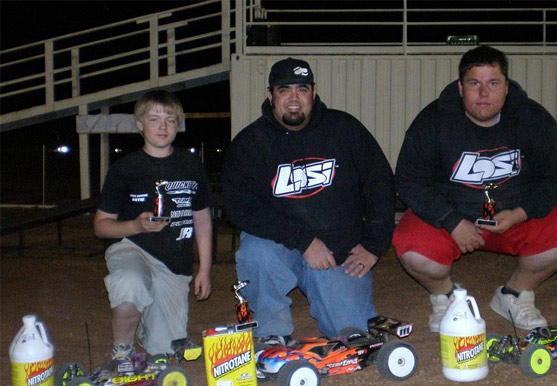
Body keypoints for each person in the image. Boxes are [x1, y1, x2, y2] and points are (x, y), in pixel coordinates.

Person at [392, 45, 557, 332]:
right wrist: (451, 221)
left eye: (493, 83)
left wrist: (520, 213)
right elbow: (409, 180)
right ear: (460, 88)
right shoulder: (433, 121)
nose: (484, 93)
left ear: (506, 86)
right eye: (474, 83)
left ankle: (515, 293)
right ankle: (446, 296)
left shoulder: (531, 118)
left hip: (513, 216)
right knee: (411, 248)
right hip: (454, 220)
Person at [221, 57, 395, 346]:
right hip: (280, 245)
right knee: (256, 253)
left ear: (313, 94)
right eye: (284, 90)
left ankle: (341, 310)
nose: (293, 98)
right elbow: (240, 208)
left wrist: (374, 245)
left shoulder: (345, 129)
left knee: (353, 334)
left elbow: (380, 184)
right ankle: (271, 330)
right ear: (271, 96)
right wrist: (304, 240)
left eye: (301, 89)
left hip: (337, 251)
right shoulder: (250, 142)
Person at [94, 90, 213, 362]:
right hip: (131, 247)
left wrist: (205, 269)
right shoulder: (124, 169)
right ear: (139, 124)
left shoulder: (190, 164)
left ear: (178, 125)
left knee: (165, 348)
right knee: (130, 282)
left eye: (170, 120)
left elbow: (202, 218)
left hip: (174, 262)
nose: (163, 127)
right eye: (154, 119)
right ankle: (123, 349)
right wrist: (136, 226)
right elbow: (101, 226)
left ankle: (146, 321)